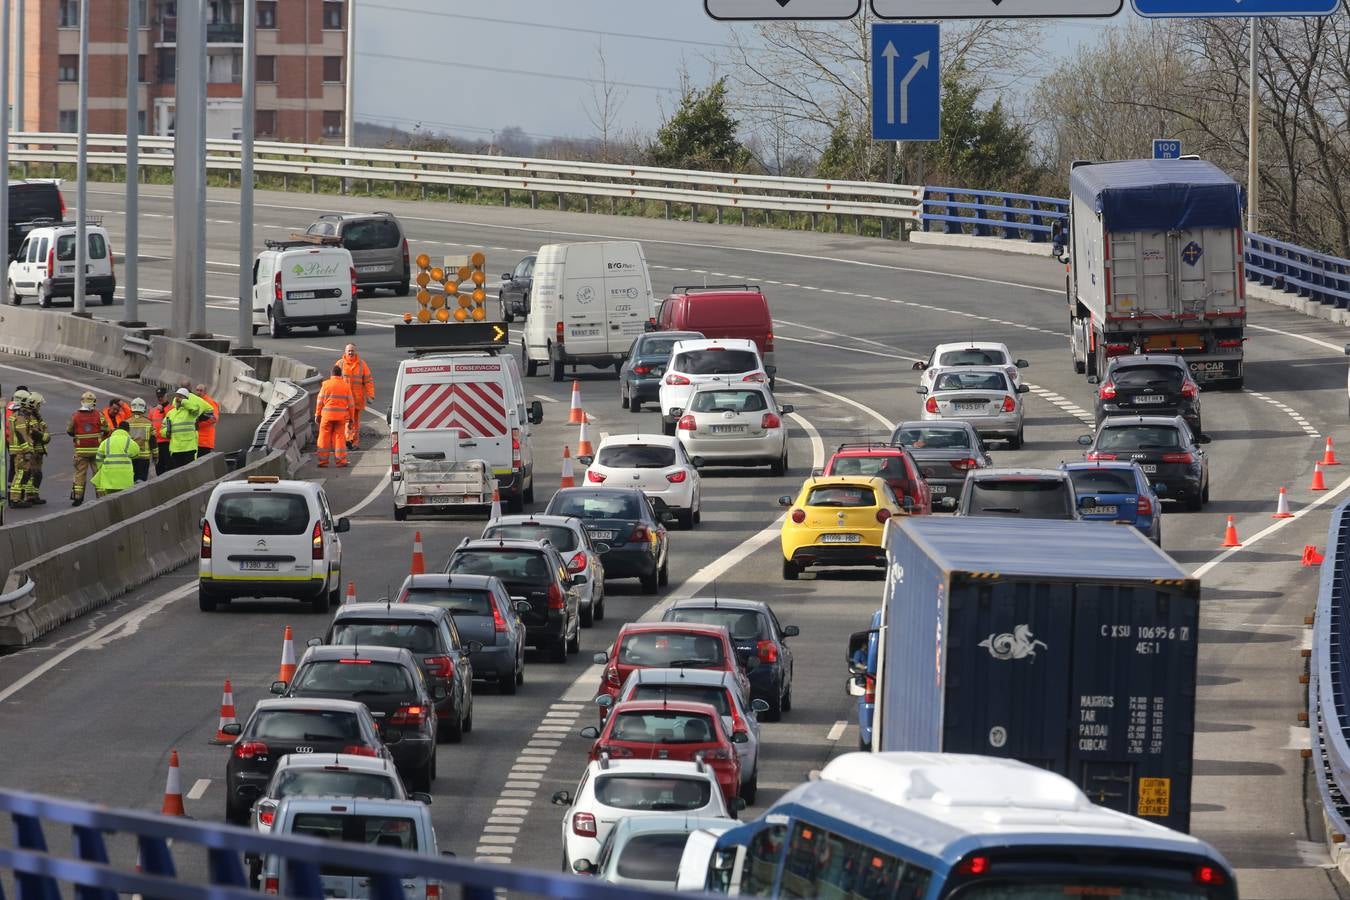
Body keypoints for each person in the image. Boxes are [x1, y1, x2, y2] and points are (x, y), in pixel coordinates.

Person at [66, 390, 108, 506]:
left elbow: (69, 431)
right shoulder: (99, 415)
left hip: (81, 451)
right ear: (94, 402)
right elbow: (106, 429)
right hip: (97, 451)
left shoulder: (75, 416)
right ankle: (101, 497)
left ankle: (78, 498)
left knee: (80, 475)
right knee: (98, 474)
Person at [315, 364, 355, 468]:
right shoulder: (346, 386)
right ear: (340, 374)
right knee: (340, 438)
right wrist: (351, 419)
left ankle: (323, 462)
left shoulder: (325, 385)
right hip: (340, 417)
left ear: (331, 374)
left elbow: (319, 401)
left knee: (323, 438)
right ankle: (341, 461)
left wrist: (317, 414)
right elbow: (351, 404)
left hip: (327, 416)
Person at [336, 344, 374, 449]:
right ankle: (348, 439)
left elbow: (368, 381)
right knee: (347, 420)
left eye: (352, 351)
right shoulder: (340, 364)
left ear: (355, 351)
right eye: (349, 351)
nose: (350, 353)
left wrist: (370, 395)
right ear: (345, 352)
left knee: (356, 423)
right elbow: (334, 380)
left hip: (357, 400)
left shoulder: (362, 364)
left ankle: (355, 443)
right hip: (344, 400)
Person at [91, 420, 137, 498]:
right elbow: (136, 453)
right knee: (124, 498)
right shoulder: (129, 441)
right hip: (125, 476)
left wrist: (101, 467)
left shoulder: (106, 441)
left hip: (109, 475)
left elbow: (99, 457)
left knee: (110, 498)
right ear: (128, 430)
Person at [160, 388, 203, 470]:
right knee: (177, 474)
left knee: (190, 472)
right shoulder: (171, 413)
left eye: (180, 396)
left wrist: (183, 401)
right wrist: (166, 432)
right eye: (176, 396)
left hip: (189, 448)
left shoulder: (190, 412)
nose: (177, 398)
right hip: (175, 449)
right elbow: (163, 428)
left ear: (186, 399)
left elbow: (196, 408)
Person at [7, 392, 36, 508]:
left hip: (17, 450)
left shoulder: (15, 415)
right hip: (21, 451)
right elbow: (21, 435)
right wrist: (27, 450)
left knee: (20, 474)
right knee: (19, 475)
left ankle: (16, 499)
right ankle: (15, 500)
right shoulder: (20, 417)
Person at [22, 393, 50, 506]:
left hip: (39, 451)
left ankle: (35, 495)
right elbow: (33, 432)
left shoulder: (36, 415)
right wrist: (44, 437)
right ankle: (29, 496)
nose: (39, 406)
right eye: (39, 404)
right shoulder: (29, 416)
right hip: (33, 450)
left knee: (37, 474)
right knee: (32, 473)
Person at [125, 398, 155, 483]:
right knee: (141, 481)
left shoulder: (127, 422)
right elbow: (153, 441)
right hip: (144, 457)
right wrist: (155, 455)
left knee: (131, 480)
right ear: (144, 408)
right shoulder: (148, 423)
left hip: (131, 456)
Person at [5, 386, 29, 486]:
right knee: (19, 466)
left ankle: (13, 488)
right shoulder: (17, 411)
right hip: (14, 440)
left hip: (8, 438)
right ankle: (16, 492)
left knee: (14, 464)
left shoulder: (9, 406)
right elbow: (18, 428)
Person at [147, 387, 171, 475]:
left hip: (167, 442)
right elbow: (149, 425)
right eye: (158, 397)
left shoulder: (171, 408)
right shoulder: (153, 410)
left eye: (162, 396)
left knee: (169, 466)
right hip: (156, 443)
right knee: (159, 467)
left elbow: (170, 420)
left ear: (166, 396)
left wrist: (163, 410)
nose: (160, 398)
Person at [193, 383, 221, 456]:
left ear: (205, 392)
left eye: (201, 390)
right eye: (197, 390)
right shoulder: (195, 401)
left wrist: (197, 424)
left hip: (205, 441)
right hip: (196, 440)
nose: (198, 392)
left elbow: (214, 418)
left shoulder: (210, 402)